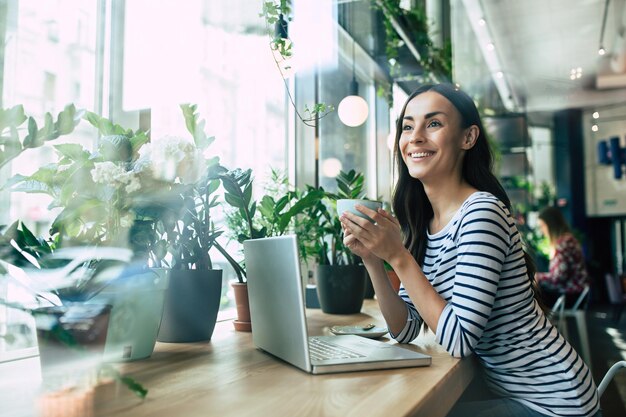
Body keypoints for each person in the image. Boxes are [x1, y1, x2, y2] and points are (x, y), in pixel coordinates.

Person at [340, 84, 600, 417]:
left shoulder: (481, 212)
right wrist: (374, 262)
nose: (415, 136)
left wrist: (398, 257)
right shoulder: (424, 225)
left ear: (468, 137)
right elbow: (405, 329)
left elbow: (459, 340)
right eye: (408, 126)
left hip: (555, 402)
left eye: (433, 123)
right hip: (516, 395)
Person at [535, 206, 589, 308]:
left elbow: (559, 277)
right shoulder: (568, 239)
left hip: (569, 296)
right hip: (574, 294)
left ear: (551, 224)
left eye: (543, 226)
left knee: (533, 298)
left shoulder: (563, 243)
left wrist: (537, 277)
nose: (542, 231)